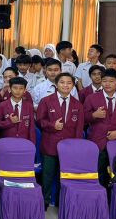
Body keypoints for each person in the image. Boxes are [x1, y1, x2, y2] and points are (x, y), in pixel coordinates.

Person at [36, 73, 84, 210]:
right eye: (62, 82)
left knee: (64, 176)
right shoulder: (46, 101)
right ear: (56, 85)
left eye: (69, 83)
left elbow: (79, 128)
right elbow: (39, 120)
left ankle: (61, 202)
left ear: (73, 86)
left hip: (69, 147)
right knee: (47, 175)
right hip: (50, 145)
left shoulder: (78, 104)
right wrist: (52, 125)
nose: (65, 85)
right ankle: (44, 201)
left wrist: (76, 147)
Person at [84, 69, 116, 189]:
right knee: (98, 173)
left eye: (111, 81)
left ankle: (111, 200)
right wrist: (93, 115)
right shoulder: (92, 98)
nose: (107, 84)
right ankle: (99, 200)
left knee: (114, 174)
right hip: (97, 142)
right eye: (104, 81)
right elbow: (83, 118)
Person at [0, 77, 36, 142]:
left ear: (25, 90)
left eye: (21, 88)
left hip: (24, 141)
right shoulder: (2, 106)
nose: (18, 91)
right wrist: (9, 122)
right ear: (10, 89)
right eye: (15, 88)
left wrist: (32, 144)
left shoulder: (29, 106)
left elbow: (31, 128)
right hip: (7, 141)